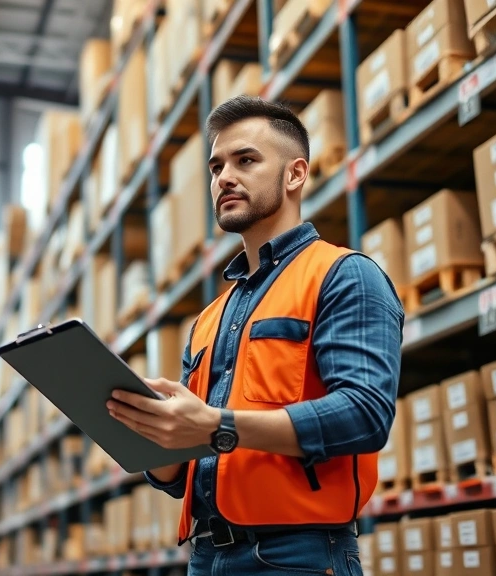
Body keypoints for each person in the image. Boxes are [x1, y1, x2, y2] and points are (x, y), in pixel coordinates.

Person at [106, 96, 405, 575]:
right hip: (205, 558)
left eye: (246, 160)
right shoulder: (208, 319)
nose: (224, 177)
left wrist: (215, 424)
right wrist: (151, 435)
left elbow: (365, 415)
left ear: (295, 174)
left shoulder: (343, 275)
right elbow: (183, 475)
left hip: (297, 556)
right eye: (216, 165)